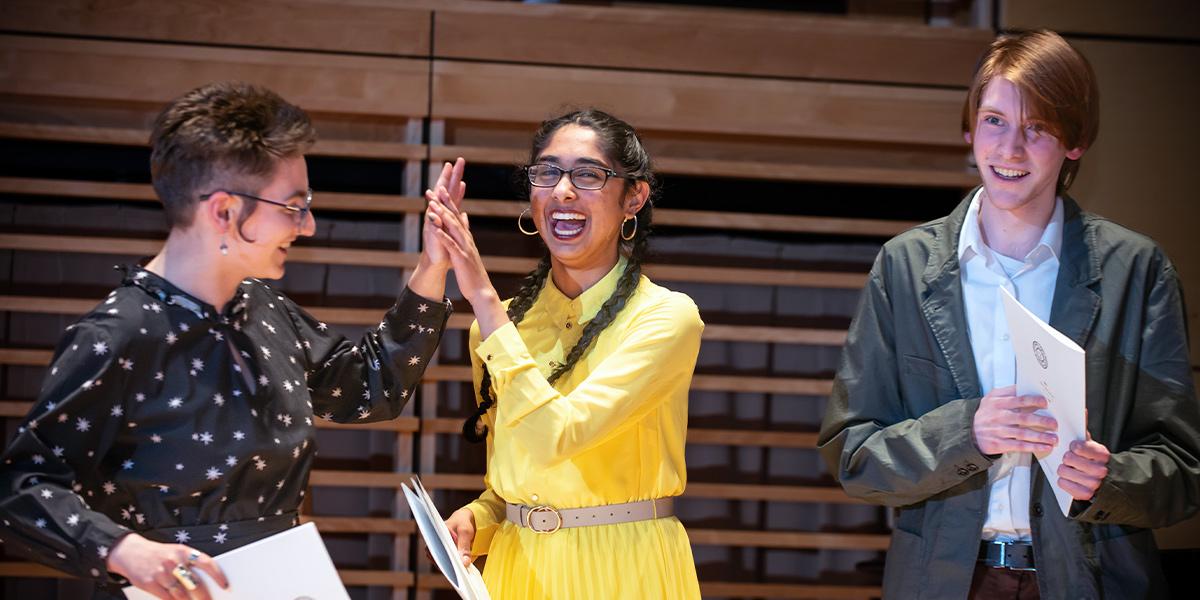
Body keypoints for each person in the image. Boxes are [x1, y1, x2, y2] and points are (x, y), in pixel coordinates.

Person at [0, 81, 457, 599]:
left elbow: (367, 389)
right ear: (223, 211)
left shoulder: (264, 308)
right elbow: (21, 487)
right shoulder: (120, 333)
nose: (305, 226)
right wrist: (123, 550)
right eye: (293, 206)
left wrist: (432, 265)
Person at [818, 30, 1199, 600]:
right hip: (945, 580)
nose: (1010, 149)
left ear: (1075, 142)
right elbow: (854, 455)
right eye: (994, 121)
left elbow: (1182, 467)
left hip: (1090, 580)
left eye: (1037, 128)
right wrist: (965, 431)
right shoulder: (905, 266)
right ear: (970, 131)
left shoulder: (1136, 270)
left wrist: (1110, 479)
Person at [427, 110, 704, 599]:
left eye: (588, 174)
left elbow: (560, 435)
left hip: (625, 566)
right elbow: (523, 470)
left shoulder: (665, 318)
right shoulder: (496, 328)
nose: (561, 192)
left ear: (634, 197)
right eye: (548, 172)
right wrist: (481, 516)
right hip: (518, 568)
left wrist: (484, 299)